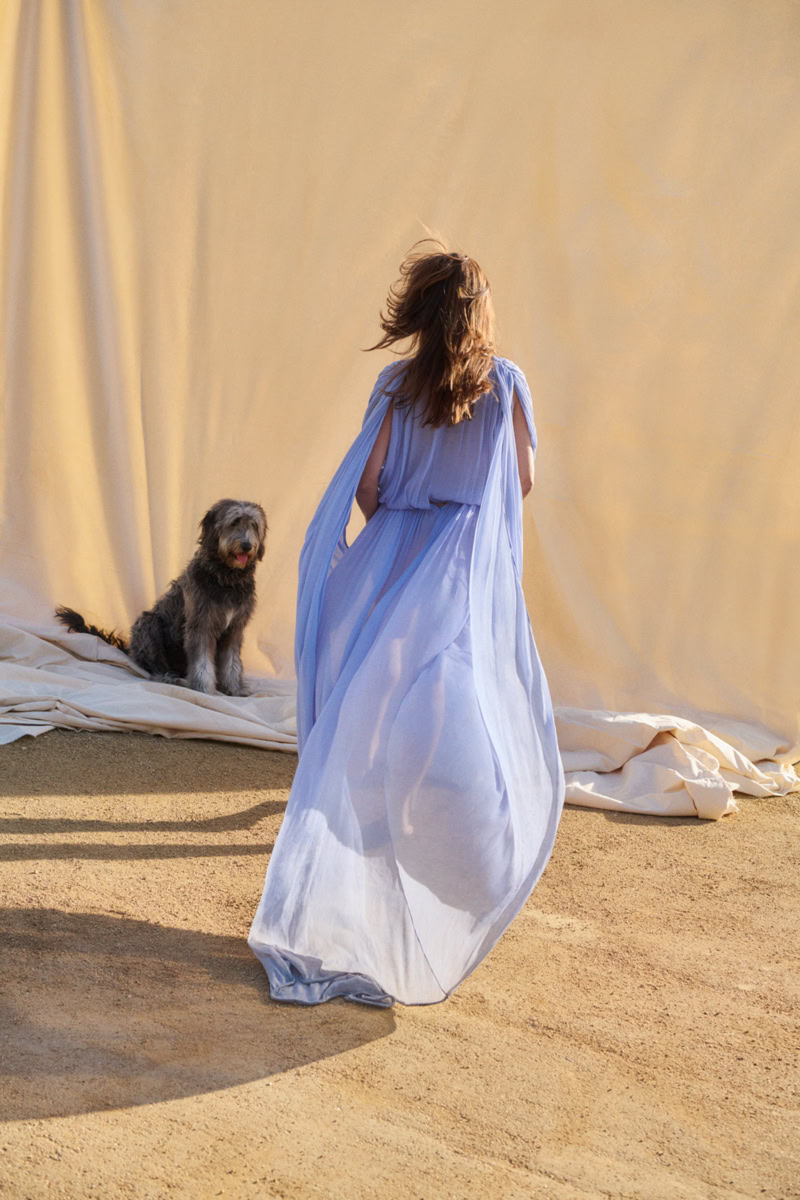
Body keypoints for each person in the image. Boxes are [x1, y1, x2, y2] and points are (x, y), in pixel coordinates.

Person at [248, 239, 565, 1007]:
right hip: (460, 557)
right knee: (453, 682)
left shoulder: (396, 384)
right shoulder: (508, 384)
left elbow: (367, 481)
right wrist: (467, 524)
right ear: (479, 316)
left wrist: (391, 530)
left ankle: (371, 805)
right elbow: (522, 479)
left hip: (398, 543)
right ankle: (425, 820)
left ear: (418, 314)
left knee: (375, 681)